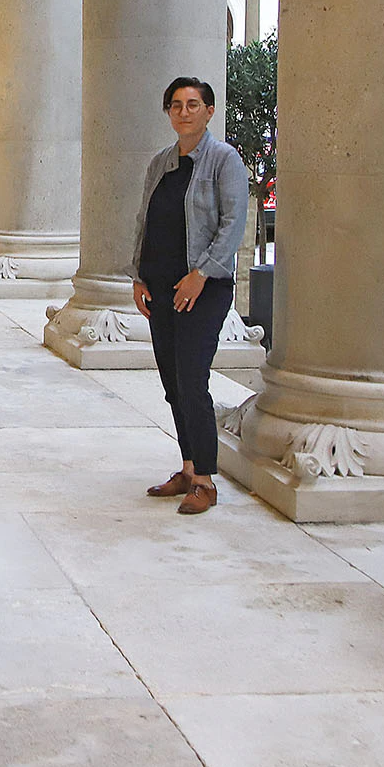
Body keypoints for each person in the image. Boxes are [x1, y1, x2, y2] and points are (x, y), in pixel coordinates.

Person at [132, 76, 249, 517]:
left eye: (193, 104)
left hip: (204, 287)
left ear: (209, 111)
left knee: (193, 380)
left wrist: (201, 274)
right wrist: (138, 277)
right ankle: (186, 466)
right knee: (172, 383)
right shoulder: (160, 162)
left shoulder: (224, 160)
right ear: (168, 113)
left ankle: (205, 479)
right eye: (176, 104)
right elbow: (146, 221)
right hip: (160, 287)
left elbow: (232, 224)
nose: (184, 111)